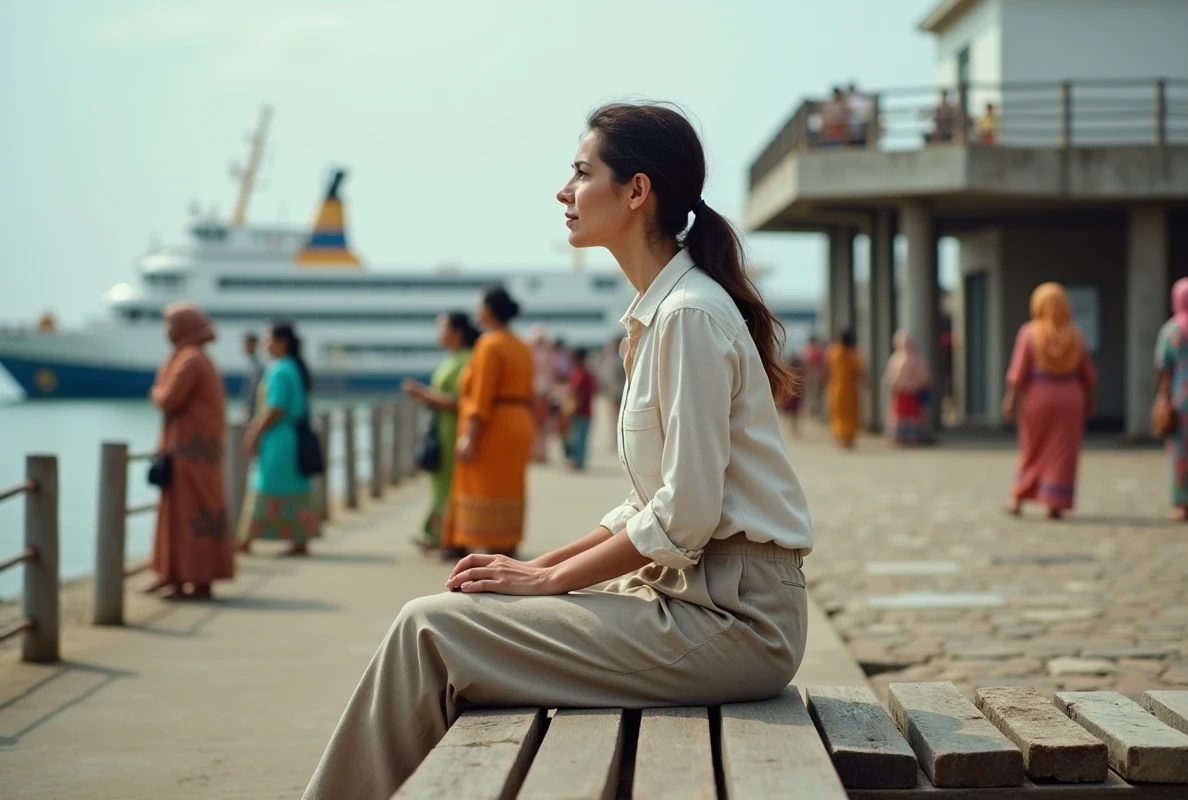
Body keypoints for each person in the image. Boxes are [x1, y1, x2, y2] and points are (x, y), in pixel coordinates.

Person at [302, 102, 813, 800]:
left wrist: (548, 584)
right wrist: (537, 566)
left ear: (637, 192)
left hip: (735, 622)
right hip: (698, 601)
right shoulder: (661, 313)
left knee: (430, 630)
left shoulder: (687, 316)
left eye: (580, 172)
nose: (562, 190)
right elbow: (647, 502)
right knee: (457, 618)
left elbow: (683, 515)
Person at [141, 302, 233, 600]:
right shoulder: (196, 358)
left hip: (190, 454)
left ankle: (187, 577)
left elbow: (168, 398)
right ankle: (180, 575)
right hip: (197, 453)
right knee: (187, 513)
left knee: (184, 514)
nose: (166, 332)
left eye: (171, 325)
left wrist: (155, 391)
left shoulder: (189, 360)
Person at [440, 286, 535, 561]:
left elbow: (481, 395)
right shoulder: (521, 344)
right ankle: (507, 540)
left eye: (479, 306)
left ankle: (488, 543)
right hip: (518, 421)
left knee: (484, 485)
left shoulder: (489, 344)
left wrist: (470, 434)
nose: (476, 312)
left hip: (493, 425)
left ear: (489, 311)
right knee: (510, 485)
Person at [1002, 283, 1096, 520]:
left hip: (1038, 396)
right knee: (1063, 450)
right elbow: (1089, 375)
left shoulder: (1029, 333)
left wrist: (1011, 400)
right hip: (1071, 398)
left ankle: (1018, 496)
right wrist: (1090, 401)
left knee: (1032, 447)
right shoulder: (1076, 334)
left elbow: (1017, 373)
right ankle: (1054, 501)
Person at [240, 322, 321, 554]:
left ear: (281, 342)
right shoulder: (293, 366)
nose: (264, 345)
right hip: (291, 436)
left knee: (264, 487)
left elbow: (275, 407)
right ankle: (299, 539)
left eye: (268, 339)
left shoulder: (279, 369)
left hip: (278, 438)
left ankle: (246, 540)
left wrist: (254, 432)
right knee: (294, 488)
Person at [403, 312, 480, 551]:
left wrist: (423, 395)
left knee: (450, 483)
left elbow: (461, 401)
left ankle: (449, 535)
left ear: (457, 332)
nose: (439, 334)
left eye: (443, 329)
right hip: (443, 427)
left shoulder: (466, 360)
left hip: (454, 428)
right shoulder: (454, 358)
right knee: (441, 483)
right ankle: (439, 534)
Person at [1154, 277, 1188, 521]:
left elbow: (1163, 367)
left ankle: (1184, 503)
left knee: (1182, 449)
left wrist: (1163, 398)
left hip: (1183, 392)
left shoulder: (1173, 329)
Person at [883, 331, 931, 446]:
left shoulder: (915, 358)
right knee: (900, 415)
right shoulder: (897, 357)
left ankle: (911, 437)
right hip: (901, 391)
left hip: (912, 391)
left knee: (912, 415)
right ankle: (899, 436)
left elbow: (923, 375)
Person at [825, 329, 864, 449]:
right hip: (850, 389)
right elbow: (859, 373)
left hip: (837, 388)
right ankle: (848, 439)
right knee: (850, 413)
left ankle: (842, 438)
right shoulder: (853, 354)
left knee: (839, 413)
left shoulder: (833, 352)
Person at [563, 347, 597, 469]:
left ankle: (577, 461)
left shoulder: (580, 375)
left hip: (580, 412)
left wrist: (571, 411)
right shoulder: (586, 374)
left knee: (577, 438)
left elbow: (577, 395)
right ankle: (579, 460)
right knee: (581, 437)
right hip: (586, 411)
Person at [527, 324, 556, 463]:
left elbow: (551, 377)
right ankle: (534, 452)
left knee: (543, 426)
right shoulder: (529, 355)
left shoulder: (548, 356)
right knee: (533, 426)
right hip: (533, 396)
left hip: (543, 395)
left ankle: (542, 452)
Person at [777, 350, 804, 438]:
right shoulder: (798, 375)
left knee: (790, 414)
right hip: (795, 397)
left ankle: (792, 429)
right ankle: (794, 429)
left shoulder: (787, 373)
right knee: (794, 415)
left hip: (791, 397)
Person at [802, 336, 826, 419]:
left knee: (813, 394)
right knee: (815, 394)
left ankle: (814, 411)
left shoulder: (809, 351)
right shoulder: (817, 351)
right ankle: (815, 411)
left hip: (812, 375)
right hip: (816, 375)